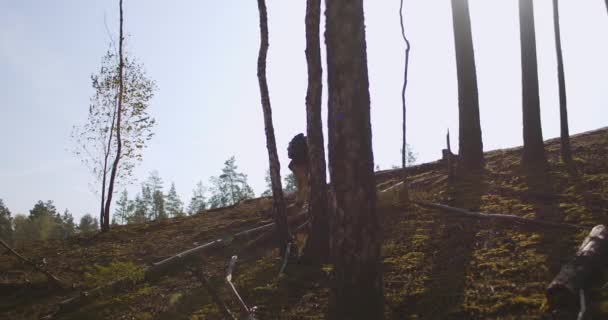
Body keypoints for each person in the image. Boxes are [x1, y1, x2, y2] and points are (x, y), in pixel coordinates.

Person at [287, 133, 309, 207]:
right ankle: (302, 201)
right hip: (300, 163)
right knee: (303, 182)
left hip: (296, 164)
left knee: (301, 183)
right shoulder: (305, 143)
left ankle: (301, 201)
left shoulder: (299, 144)